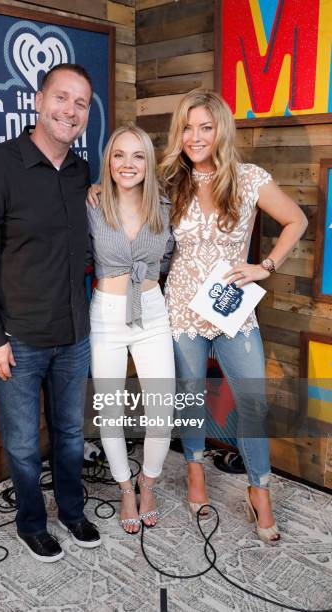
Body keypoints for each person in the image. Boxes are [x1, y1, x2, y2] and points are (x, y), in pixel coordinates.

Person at [0, 64, 101, 562]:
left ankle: (71, 510)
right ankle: (30, 522)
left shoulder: (83, 171)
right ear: (38, 100)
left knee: (68, 433)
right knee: (22, 443)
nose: (71, 110)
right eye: (62, 98)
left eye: (81, 103)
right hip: (16, 338)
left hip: (74, 333)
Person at [159, 89, 308, 544]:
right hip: (181, 306)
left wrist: (265, 266)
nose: (195, 136)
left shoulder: (247, 178)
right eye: (187, 127)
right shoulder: (170, 181)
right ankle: (195, 475)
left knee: (252, 403)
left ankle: (259, 490)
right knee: (190, 398)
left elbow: (296, 220)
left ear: (221, 130)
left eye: (205, 127)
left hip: (231, 309)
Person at [87, 125, 176, 533]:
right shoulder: (92, 202)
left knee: (162, 410)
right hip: (106, 315)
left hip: (152, 312)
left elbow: (175, 255)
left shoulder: (163, 204)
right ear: (108, 161)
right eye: (119, 155)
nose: (128, 164)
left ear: (148, 162)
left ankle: (149, 483)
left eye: (137, 155)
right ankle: (125, 488)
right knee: (111, 410)